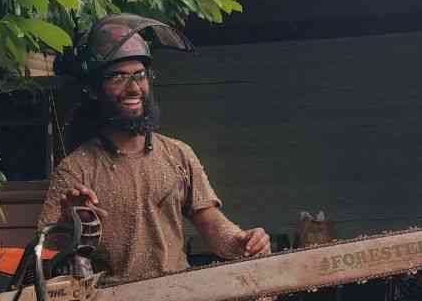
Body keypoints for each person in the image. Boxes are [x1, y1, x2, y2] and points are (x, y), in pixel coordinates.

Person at [38, 15, 270, 282]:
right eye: (117, 77)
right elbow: (47, 252)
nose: (133, 88)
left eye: (139, 75)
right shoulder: (76, 169)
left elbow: (210, 223)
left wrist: (240, 241)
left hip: (176, 296)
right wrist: (70, 223)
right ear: (93, 90)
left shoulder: (178, 154)